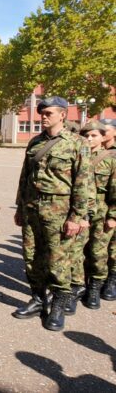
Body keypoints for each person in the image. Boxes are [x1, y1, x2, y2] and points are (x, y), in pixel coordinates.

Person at [13, 96, 90, 331]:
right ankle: (38, 299)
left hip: (59, 210)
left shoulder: (77, 143)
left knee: (58, 260)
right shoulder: (35, 142)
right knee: (31, 257)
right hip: (32, 208)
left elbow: (83, 183)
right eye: (42, 113)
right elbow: (25, 177)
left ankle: (58, 304)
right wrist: (19, 207)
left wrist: (77, 217)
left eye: (49, 113)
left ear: (63, 115)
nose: (43, 117)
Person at [78, 121, 116, 309]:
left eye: (94, 135)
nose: (89, 139)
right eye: (86, 135)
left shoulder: (110, 159)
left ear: (102, 137)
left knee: (97, 251)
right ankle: (79, 286)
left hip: (101, 211)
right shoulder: (78, 155)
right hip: (79, 210)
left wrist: (113, 216)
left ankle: (95, 286)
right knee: (77, 251)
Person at [100, 118, 116, 300]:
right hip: (96, 208)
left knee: (113, 248)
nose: (102, 133)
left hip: (111, 207)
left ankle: (112, 279)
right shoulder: (90, 151)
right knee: (96, 249)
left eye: (106, 130)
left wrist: (113, 215)